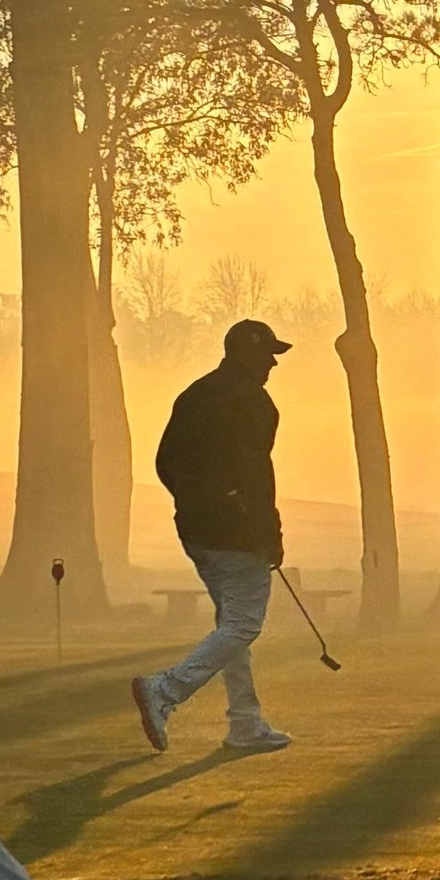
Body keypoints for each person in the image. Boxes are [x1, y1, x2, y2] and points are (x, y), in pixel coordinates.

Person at [131, 319, 293, 755]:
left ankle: (245, 723)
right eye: (266, 355)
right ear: (245, 353)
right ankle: (165, 689)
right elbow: (256, 474)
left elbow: (165, 462)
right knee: (243, 625)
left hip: (196, 532)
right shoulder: (255, 403)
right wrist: (268, 532)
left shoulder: (195, 394)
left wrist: (196, 504)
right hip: (237, 536)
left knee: (230, 626)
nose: (273, 363)